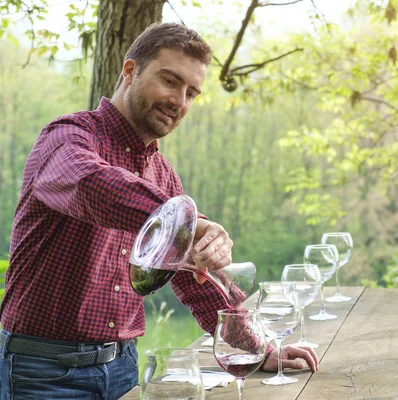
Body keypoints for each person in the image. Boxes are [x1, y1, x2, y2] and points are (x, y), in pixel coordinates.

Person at [0, 23, 318, 399]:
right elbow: (92, 185)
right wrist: (188, 223)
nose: (179, 101)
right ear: (130, 71)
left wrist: (258, 349)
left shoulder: (163, 176)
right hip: (42, 373)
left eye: (191, 93)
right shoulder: (67, 136)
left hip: (123, 368)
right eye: (170, 81)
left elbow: (193, 282)